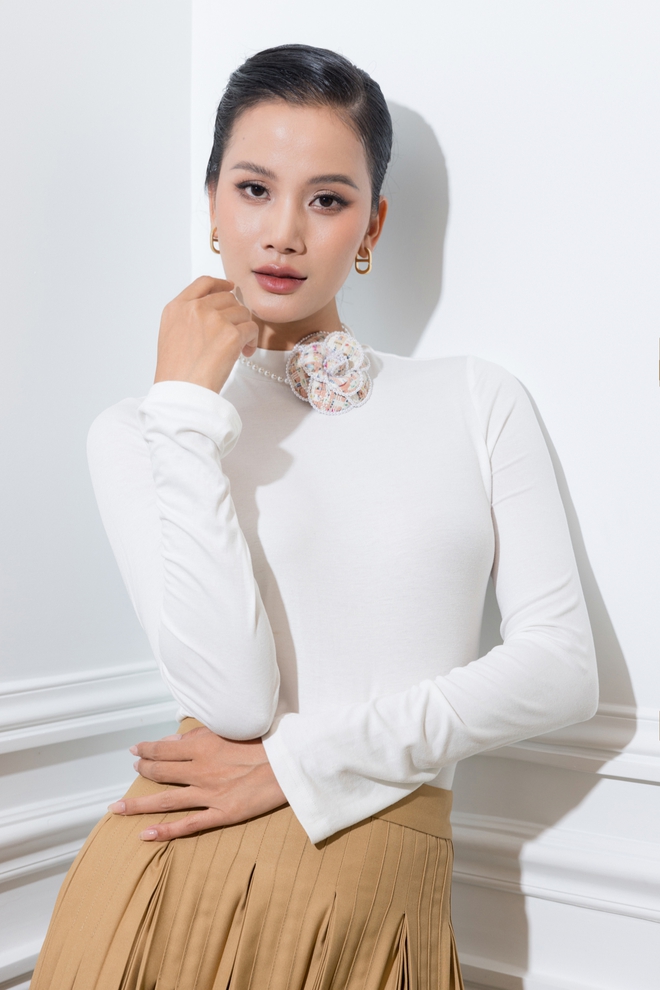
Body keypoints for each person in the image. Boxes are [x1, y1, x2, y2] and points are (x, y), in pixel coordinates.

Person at [30, 43, 598, 990]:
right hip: (165, 894)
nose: (284, 232)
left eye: (327, 200)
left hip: (375, 899)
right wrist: (185, 412)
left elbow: (561, 671)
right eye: (254, 189)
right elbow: (235, 700)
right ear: (212, 201)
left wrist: (301, 764)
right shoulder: (143, 430)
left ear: (372, 223)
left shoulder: (474, 398)